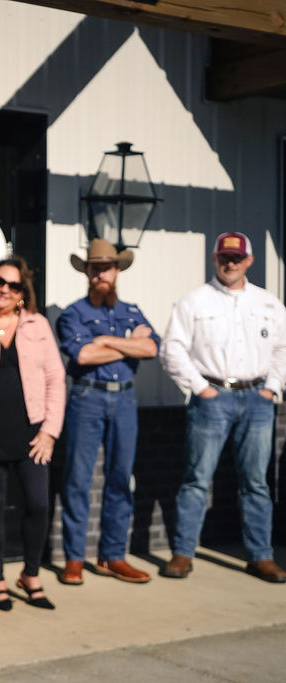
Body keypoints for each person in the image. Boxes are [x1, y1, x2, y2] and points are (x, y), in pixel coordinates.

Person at [159, 232, 286, 583]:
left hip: (257, 398)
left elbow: (282, 349)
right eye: (224, 258)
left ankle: (261, 556)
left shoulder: (268, 303)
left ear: (249, 260)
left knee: (256, 483)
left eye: (237, 258)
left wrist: (272, 388)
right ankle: (183, 553)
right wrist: (200, 387)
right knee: (196, 479)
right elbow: (172, 349)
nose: (230, 264)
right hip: (212, 397)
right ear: (215, 259)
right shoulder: (195, 301)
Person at [0, 257, 65, 610]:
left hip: (32, 433)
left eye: (14, 285)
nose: (5, 289)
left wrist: (50, 431)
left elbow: (55, 379)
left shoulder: (37, 324)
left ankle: (31, 574)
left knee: (38, 504)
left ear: (22, 293)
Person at [56, 238, 160, 585]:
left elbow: (151, 348)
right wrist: (129, 346)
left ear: (117, 271)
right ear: (87, 271)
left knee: (120, 478)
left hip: (125, 399)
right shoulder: (73, 313)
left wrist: (105, 341)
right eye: (95, 268)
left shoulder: (131, 310)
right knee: (78, 480)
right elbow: (83, 355)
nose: (101, 274)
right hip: (88, 397)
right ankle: (74, 558)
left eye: (107, 268)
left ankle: (112, 556)